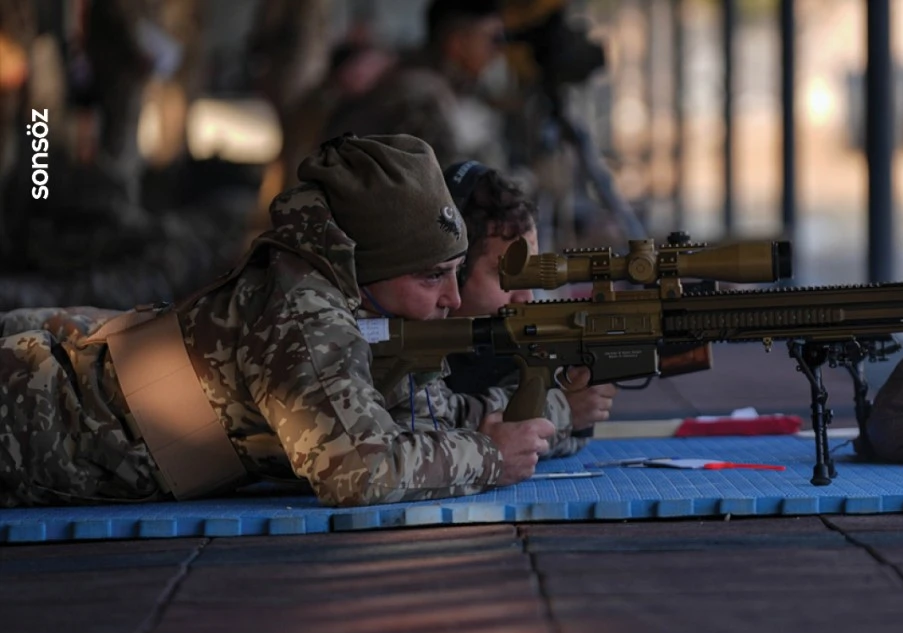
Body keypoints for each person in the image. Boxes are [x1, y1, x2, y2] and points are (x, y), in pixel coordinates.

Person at [0, 133, 556, 509]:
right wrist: (489, 457)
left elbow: (425, 417)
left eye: (456, 273)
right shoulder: (306, 314)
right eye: (433, 277)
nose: (453, 300)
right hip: (29, 426)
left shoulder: (363, 307)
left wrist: (546, 415)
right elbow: (358, 473)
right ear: (371, 269)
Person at [441, 159, 617, 456]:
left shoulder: (502, 346)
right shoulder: (403, 339)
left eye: (531, 273)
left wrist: (574, 406)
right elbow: (430, 425)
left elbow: (552, 440)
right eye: (505, 274)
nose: (525, 296)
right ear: (453, 269)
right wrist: (563, 409)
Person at [323, 0, 509, 170]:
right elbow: (447, 184)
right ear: (457, 43)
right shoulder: (421, 92)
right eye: (493, 39)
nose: (497, 51)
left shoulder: (414, 76)